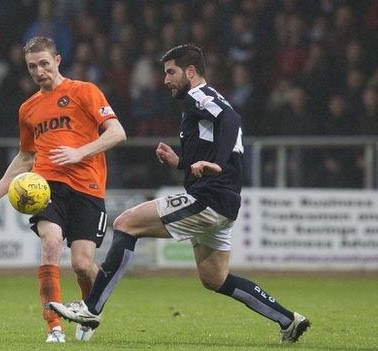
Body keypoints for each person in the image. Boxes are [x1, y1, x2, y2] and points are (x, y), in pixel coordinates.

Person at [49, 44, 311, 343]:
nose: (166, 79)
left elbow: (231, 120)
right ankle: (288, 320)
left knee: (125, 224)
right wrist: (182, 162)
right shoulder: (203, 101)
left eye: (170, 72)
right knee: (215, 278)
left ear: (190, 71)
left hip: (209, 200)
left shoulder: (199, 95)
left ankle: (91, 309)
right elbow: (214, 140)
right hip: (224, 201)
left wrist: (217, 162)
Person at [0, 36, 126, 343]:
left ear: (57, 61)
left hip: (88, 187)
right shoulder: (28, 109)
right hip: (45, 186)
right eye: (31, 67)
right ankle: (54, 326)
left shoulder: (84, 91)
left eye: (43, 63)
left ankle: (89, 310)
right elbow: (26, 156)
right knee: (50, 243)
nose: (38, 71)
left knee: (82, 265)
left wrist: (80, 152)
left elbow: (117, 132)